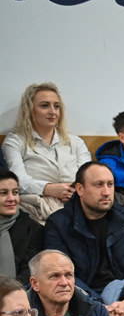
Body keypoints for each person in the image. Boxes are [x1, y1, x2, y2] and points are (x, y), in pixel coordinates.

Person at [43, 162, 124, 316]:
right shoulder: (59, 224)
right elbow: (61, 275)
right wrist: (98, 307)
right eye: (98, 185)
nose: (106, 192)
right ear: (80, 189)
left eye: (110, 184)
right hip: (84, 298)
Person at [2, 83, 91, 221]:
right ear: (29, 109)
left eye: (56, 106)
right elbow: (17, 180)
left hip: (77, 205)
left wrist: (74, 191)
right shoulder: (15, 141)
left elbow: (89, 176)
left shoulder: (76, 142)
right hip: (36, 210)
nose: (53, 112)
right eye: (44, 106)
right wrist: (47, 189)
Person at [0, 170, 42, 281]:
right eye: (3, 193)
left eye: (15, 192)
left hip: (18, 290)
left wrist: (10, 291)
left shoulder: (32, 229)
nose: (11, 199)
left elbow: (30, 271)